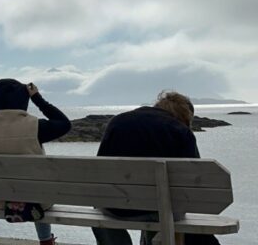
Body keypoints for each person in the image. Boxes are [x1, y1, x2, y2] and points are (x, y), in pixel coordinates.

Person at [91, 91, 220, 245]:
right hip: (157, 210)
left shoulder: (117, 122)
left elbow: (100, 169)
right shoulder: (180, 130)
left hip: (113, 207)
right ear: (184, 115)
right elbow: (193, 181)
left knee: (106, 205)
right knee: (165, 206)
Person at [0, 78, 71, 245]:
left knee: (30, 187)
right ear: (24, 99)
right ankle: (46, 240)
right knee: (37, 189)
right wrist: (37, 98)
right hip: (39, 201)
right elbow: (64, 124)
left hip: (1, 200)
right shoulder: (36, 126)